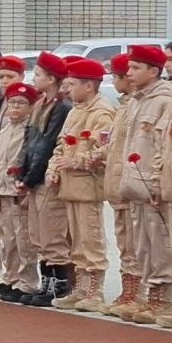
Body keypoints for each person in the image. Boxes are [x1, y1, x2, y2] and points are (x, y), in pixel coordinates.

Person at [48, 58, 115, 312]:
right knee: (77, 242)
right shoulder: (76, 111)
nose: (67, 88)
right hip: (70, 186)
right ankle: (81, 288)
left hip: (88, 186)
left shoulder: (101, 113)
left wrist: (76, 161)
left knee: (91, 240)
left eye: (72, 83)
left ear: (89, 86)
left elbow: (104, 149)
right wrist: (54, 167)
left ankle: (95, 291)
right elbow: (61, 145)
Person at [114, 44, 172, 324]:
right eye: (129, 67)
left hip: (154, 187)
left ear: (154, 70)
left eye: (136, 67)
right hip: (134, 185)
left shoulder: (165, 100)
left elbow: (163, 146)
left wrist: (158, 182)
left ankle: (165, 299)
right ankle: (150, 297)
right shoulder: (135, 101)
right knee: (143, 246)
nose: (129, 72)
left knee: (162, 243)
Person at [18, 51, 73, 306]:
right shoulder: (40, 104)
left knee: (52, 233)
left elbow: (48, 144)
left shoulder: (61, 107)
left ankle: (58, 284)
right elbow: (29, 141)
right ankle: (45, 282)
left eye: (38, 74)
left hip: (46, 176)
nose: (34, 78)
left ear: (51, 79)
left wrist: (30, 176)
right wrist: (22, 171)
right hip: (34, 176)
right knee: (38, 233)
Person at [0, 81, 40, 302]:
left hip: (17, 191)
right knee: (5, 237)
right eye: (12, 102)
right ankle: (8, 276)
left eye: (21, 103)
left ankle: (26, 280)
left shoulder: (31, 129)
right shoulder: (6, 128)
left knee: (23, 238)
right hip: (1, 189)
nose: (15, 107)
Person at [102, 54, 141, 318]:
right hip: (120, 183)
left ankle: (144, 293)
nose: (117, 81)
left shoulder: (145, 104)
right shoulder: (125, 105)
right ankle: (129, 292)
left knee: (142, 244)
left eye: (118, 76)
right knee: (125, 241)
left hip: (137, 183)